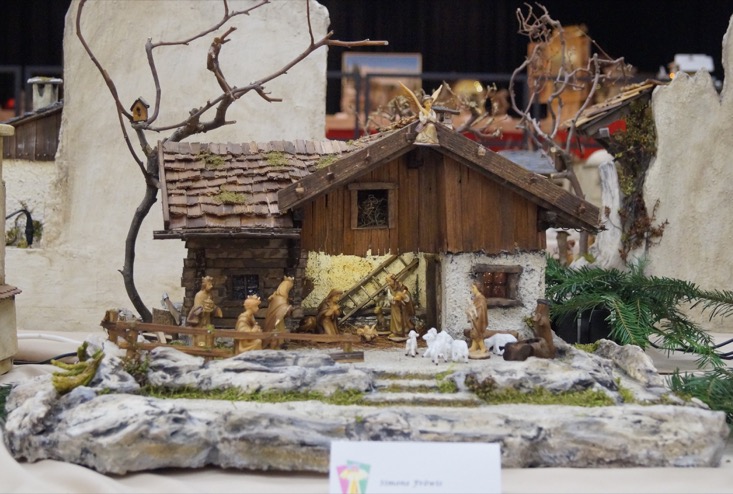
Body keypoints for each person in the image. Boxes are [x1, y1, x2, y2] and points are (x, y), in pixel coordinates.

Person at [187, 276, 222, 347]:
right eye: (209, 284)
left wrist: (214, 308)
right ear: (204, 285)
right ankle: (199, 351)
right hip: (200, 323)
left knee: (210, 337)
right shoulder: (199, 295)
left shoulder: (210, 295)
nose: (211, 286)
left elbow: (212, 307)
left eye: (212, 284)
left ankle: (209, 350)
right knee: (201, 341)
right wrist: (204, 309)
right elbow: (196, 311)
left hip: (208, 321)